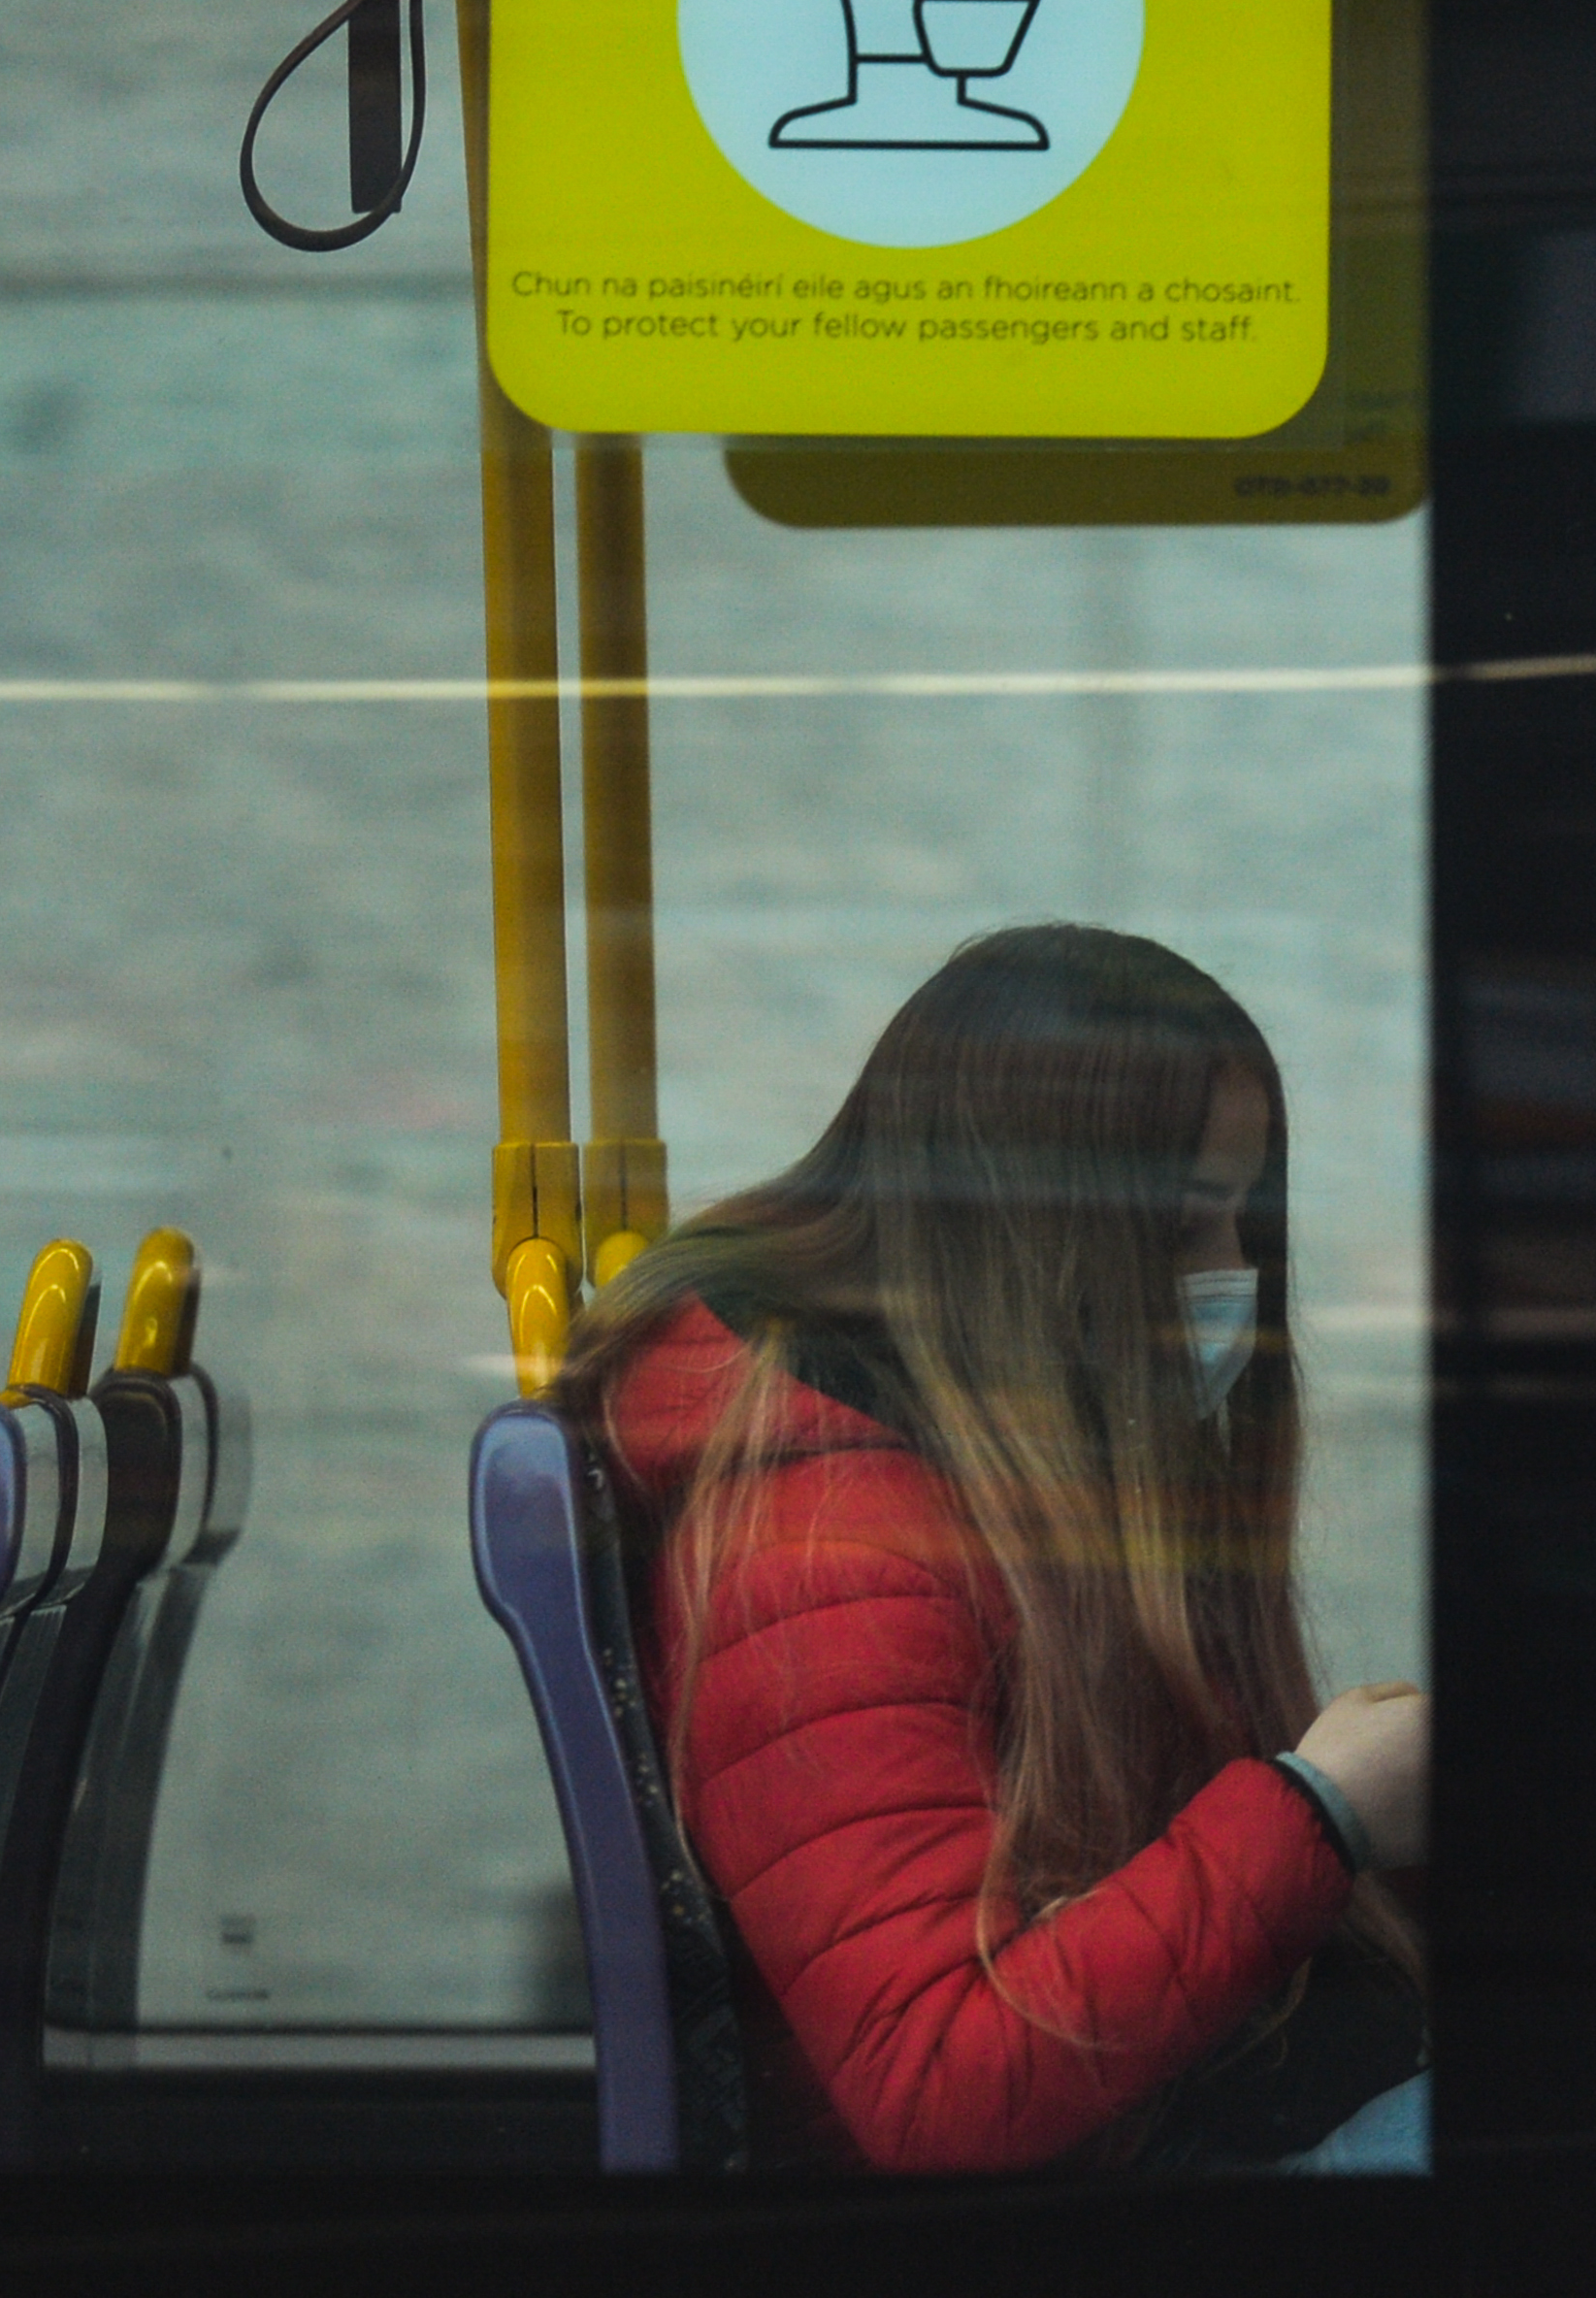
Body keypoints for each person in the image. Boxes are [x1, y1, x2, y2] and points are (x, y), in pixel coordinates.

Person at [554, 923, 1427, 2175]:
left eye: (1244, 1222)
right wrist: (1319, 1812)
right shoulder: (824, 1556)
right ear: (1038, 1244)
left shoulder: (978, 1475)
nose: (1229, 1274)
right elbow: (934, 2084)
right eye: (1184, 1229)